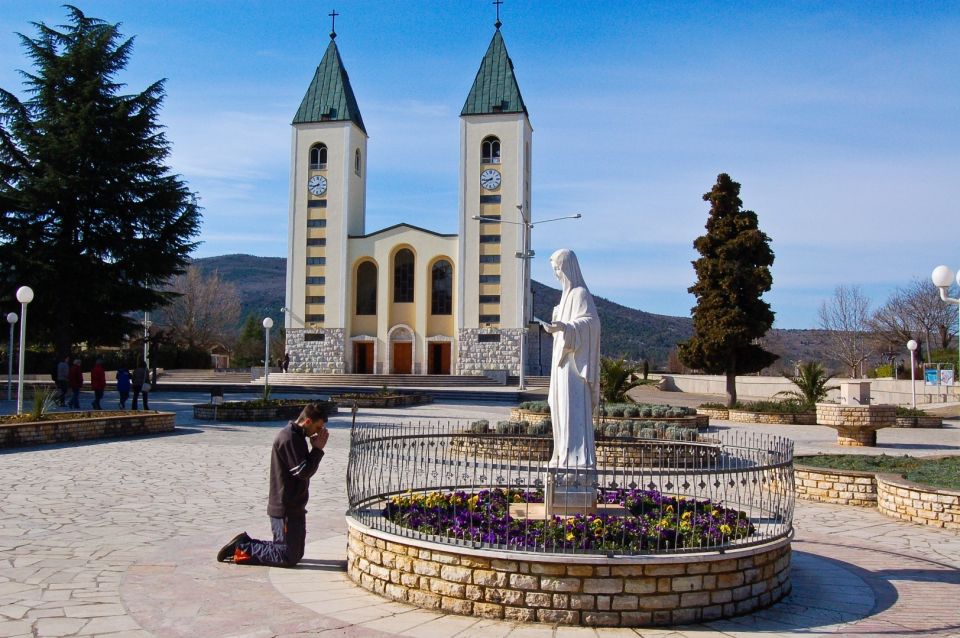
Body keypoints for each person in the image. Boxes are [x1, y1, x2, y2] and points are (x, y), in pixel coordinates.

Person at [217, 403, 330, 567]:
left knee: (294, 553)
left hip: (295, 507)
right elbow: (302, 471)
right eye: (318, 427)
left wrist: (315, 449)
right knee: (287, 556)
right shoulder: (289, 438)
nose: (318, 432)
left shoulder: (298, 437)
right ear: (307, 422)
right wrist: (318, 450)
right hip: (284, 509)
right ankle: (242, 547)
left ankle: (245, 543)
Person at [542, 249, 601, 470]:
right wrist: (557, 323)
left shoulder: (580, 294)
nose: (556, 274)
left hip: (574, 367)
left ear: (568, 268)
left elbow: (592, 324)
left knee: (571, 410)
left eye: (558, 268)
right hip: (561, 364)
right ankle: (561, 454)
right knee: (559, 409)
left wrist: (566, 327)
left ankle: (577, 459)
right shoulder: (565, 295)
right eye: (554, 269)